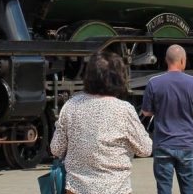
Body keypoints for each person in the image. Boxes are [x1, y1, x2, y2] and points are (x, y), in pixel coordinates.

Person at [50, 52, 153, 194]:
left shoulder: (71, 105)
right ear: (119, 77)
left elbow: (56, 148)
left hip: (77, 189)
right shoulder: (124, 110)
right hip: (115, 189)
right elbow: (145, 149)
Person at [141, 44, 193, 194]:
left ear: (166, 60)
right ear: (183, 60)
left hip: (163, 144)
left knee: (164, 188)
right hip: (186, 144)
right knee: (188, 188)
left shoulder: (154, 82)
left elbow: (146, 112)